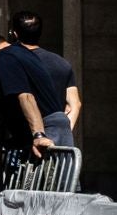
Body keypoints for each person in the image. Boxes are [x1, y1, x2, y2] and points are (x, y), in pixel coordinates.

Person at [10, 11, 79, 145]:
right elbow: (75, 104)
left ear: (14, 34)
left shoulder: (12, 60)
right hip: (55, 140)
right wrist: (61, 132)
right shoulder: (62, 63)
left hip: (26, 140)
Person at [0, 28, 60, 164]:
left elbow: (26, 96)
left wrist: (39, 134)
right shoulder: (21, 52)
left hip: (44, 133)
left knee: (50, 183)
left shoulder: (4, 57)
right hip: (52, 129)